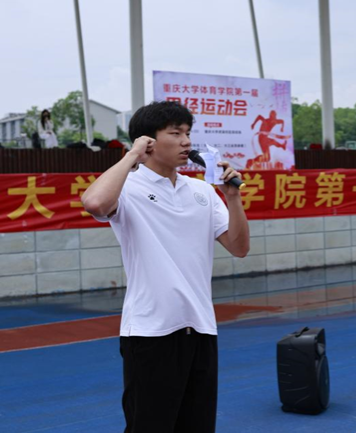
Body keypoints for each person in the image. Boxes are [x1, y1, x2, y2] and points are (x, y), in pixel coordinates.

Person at [81, 101, 250, 432]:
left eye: (188, 133)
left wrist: (232, 198)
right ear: (148, 142)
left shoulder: (201, 191)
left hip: (201, 327)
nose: (186, 141)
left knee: (197, 425)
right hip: (150, 331)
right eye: (175, 133)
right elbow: (95, 203)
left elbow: (239, 247)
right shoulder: (127, 187)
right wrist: (132, 157)